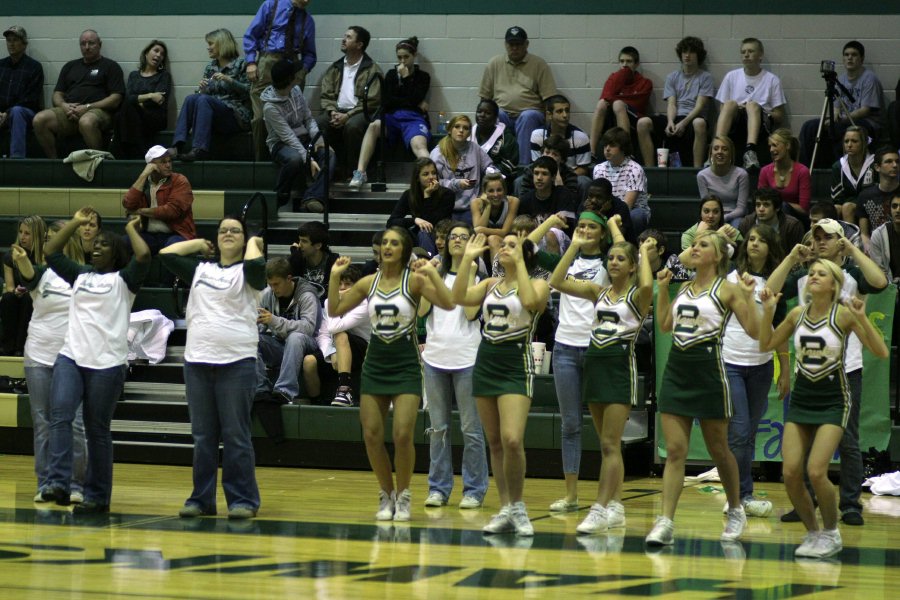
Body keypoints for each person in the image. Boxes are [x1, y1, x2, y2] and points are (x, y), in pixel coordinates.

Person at [758, 260, 887, 557]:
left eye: (821, 274)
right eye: (812, 273)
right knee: (790, 473)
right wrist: (767, 313)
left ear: (834, 284)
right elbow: (766, 344)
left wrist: (862, 317)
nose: (814, 277)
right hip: (802, 399)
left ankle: (831, 531)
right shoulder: (795, 314)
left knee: (817, 471)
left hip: (833, 399)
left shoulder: (843, 315)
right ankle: (814, 533)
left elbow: (880, 351)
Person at [327, 227, 453, 521]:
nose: (387, 247)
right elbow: (334, 309)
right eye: (384, 242)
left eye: (394, 243)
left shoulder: (415, 281)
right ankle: (387, 493)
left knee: (402, 434)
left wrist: (433, 273)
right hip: (375, 365)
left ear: (404, 250)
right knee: (371, 434)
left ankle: (405, 492)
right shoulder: (369, 282)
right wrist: (334, 276)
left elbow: (448, 303)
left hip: (406, 365)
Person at [646, 231, 759, 546]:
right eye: (693, 244)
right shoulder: (683, 287)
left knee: (719, 450)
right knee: (675, 451)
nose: (694, 248)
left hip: (710, 372)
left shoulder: (729, 289)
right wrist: (665, 290)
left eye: (703, 245)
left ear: (719, 255)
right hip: (676, 372)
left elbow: (753, 330)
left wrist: (750, 296)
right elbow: (666, 324)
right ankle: (666, 521)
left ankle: (736, 508)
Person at [40, 210, 150, 513]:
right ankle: (59, 483)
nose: (97, 247)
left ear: (115, 253)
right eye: (95, 243)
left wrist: (130, 228)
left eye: (104, 244)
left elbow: (142, 255)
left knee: (96, 430)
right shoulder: (79, 275)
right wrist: (76, 223)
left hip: (106, 365)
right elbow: (51, 251)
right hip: (71, 357)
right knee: (60, 415)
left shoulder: (124, 280)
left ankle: (97, 496)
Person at [549, 230, 653, 533]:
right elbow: (557, 281)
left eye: (621, 259)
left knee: (609, 443)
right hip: (594, 365)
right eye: (611, 258)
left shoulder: (637, 296)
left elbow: (647, 284)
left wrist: (644, 253)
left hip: (620, 368)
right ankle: (616, 506)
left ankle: (599, 507)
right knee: (609, 446)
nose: (614, 263)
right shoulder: (598, 292)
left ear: (632, 265)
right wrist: (574, 249)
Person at [160, 217, 265, 519]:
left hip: (237, 362)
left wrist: (255, 244)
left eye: (236, 231)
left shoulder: (248, 269)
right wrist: (197, 244)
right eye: (223, 231)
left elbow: (258, 274)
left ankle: (243, 499)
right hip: (197, 361)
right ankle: (201, 499)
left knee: (235, 435)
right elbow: (166, 256)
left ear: (245, 239)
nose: (228, 234)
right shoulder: (200, 270)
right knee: (203, 436)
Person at [451, 232, 550, 536]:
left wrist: (519, 261)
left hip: (515, 364)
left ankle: (519, 507)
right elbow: (458, 298)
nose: (504, 249)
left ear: (526, 255)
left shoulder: (538, 284)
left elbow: (532, 303)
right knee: (494, 442)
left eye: (512, 246)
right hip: (486, 363)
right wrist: (468, 259)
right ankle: (505, 507)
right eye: (504, 246)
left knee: (511, 439)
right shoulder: (489, 284)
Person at [541, 211, 622, 514]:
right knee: (570, 425)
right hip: (564, 349)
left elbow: (625, 254)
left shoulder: (608, 263)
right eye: (582, 226)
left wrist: (613, 226)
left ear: (601, 234)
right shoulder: (568, 260)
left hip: (597, 349)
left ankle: (612, 497)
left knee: (606, 433)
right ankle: (571, 495)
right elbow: (531, 252)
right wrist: (552, 225)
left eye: (592, 227)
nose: (585, 230)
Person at [13, 221, 86, 505]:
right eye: (49, 239)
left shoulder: (85, 275)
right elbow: (29, 275)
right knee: (43, 423)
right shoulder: (42, 273)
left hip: (75, 356)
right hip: (39, 356)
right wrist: (22, 262)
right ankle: (46, 483)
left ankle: (76, 484)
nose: (51, 244)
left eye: (57, 238)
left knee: (75, 423)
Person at [419, 222, 489, 509]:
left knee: (472, 429)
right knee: (438, 429)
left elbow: (472, 313)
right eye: (453, 237)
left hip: (468, 359)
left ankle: (473, 490)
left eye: (463, 237)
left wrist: (470, 270)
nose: (457, 241)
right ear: (444, 243)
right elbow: (422, 313)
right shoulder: (436, 274)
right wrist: (430, 277)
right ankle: (438, 488)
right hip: (435, 359)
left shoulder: (479, 277)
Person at [722, 224, 788, 519]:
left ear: (770, 246)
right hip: (731, 361)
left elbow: (781, 328)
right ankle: (737, 496)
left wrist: (784, 368)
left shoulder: (777, 282)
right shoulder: (733, 278)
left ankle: (743, 495)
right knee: (738, 432)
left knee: (748, 435)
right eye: (750, 239)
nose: (754, 244)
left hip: (761, 366)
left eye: (761, 240)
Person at [350, 36, 431, 189]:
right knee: (373, 126)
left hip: (413, 118)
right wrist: (413, 101)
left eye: (406, 57)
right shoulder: (391, 75)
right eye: (399, 57)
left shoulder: (423, 77)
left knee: (419, 145)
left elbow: (415, 98)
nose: (402, 61)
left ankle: (433, 180)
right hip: (392, 117)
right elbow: (387, 101)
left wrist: (406, 79)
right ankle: (360, 172)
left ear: (414, 56)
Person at [32, 30, 124, 159]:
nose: (86, 47)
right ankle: (54, 163)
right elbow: (57, 94)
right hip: (69, 111)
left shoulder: (111, 66)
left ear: (99, 44)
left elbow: (116, 98)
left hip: (98, 111)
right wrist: (64, 106)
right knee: (39, 119)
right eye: (83, 44)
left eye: (91, 43)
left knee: (86, 122)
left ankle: (101, 163)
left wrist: (87, 107)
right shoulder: (70, 66)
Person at [244, 0, 317, 161]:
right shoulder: (272, 5)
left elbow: (310, 54)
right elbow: (251, 34)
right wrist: (250, 62)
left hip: (292, 68)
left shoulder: (307, 20)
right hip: (268, 62)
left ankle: (291, 161)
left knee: (292, 119)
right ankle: (261, 163)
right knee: (259, 119)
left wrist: (302, 72)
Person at [479, 26, 557, 166]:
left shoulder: (539, 64)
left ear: (526, 44)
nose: (514, 48)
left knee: (527, 117)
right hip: (503, 112)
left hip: (531, 114)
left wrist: (551, 123)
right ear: (505, 44)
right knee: (496, 114)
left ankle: (522, 167)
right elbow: (484, 98)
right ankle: (493, 165)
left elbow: (550, 99)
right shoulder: (494, 63)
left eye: (518, 44)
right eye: (511, 44)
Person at [262, 58, 332, 213]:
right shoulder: (270, 107)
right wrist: (308, 158)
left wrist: (318, 140)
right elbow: (287, 136)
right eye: (295, 73)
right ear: (290, 79)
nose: (299, 74)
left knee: (329, 154)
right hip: (281, 144)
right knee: (295, 159)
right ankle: (280, 197)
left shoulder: (296, 91)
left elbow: (308, 118)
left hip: (305, 138)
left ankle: (313, 196)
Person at [799, 41, 884, 168]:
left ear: (861, 59)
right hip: (843, 121)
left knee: (837, 129)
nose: (850, 57)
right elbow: (836, 107)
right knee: (809, 127)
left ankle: (839, 171)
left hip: (866, 123)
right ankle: (805, 169)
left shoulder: (869, 79)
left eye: (854, 55)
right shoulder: (840, 79)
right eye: (846, 55)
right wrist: (834, 117)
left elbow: (865, 110)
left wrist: (841, 120)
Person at [171, 29, 250, 162]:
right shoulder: (210, 67)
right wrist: (202, 89)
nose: (208, 48)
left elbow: (249, 91)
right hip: (212, 115)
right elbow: (204, 96)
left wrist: (229, 80)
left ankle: (199, 150)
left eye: (211, 44)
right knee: (191, 98)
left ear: (222, 43)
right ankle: (177, 146)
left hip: (235, 116)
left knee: (204, 100)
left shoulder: (241, 64)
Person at [637, 36, 714, 168]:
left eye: (691, 52)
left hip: (693, 118)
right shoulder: (672, 77)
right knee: (643, 123)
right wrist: (670, 122)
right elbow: (672, 104)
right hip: (674, 117)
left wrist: (684, 123)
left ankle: (697, 170)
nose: (687, 55)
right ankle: (649, 169)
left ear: (698, 55)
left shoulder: (705, 77)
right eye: (684, 52)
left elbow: (700, 106)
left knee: (700, 123)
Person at [315, 26, 381, 178]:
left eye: (349, 37)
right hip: (336, 110)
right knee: (318, 124)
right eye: (344, 36)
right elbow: (326, 94)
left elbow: (373, 101)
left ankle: (354, 172)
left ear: (359, 45)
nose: (343, 40)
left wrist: (348, 115)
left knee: (352, 126)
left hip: (359, 112)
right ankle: (325, 171)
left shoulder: (372, 69)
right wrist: (332, 111)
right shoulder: (335, 67)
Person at [255, 256, 321, 409]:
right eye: (270, 284)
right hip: (281, 346)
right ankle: (261, 388)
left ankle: (284, 391)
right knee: (251, 339)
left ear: (289, 278)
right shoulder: (268, 295)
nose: (273, 288)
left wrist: (274, 321)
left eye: (276, 284)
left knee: (295, 337)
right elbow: (260, 327)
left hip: (309, 348)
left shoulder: (306, 295)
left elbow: (308, 328)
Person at [714, 38, 786, 171]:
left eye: (751, 51)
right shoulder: (731, 76)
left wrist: (760, 109)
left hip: (761, 122)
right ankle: (716, 146)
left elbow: (779, 115)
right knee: (729, 104)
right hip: (736, 119)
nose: (746, 55)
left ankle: (750, 151)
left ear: (760, 55)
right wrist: (738, 107)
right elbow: (722, 108)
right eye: (743, 52)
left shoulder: (772, 79)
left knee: (752, 105)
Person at [313, 264, 370, 406]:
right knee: (309, 362)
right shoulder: (328, 302)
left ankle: (345, 390)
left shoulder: (364, 303)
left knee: (340, 335)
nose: (342, 288)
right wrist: (330, 352)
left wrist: (334, 303)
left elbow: (334, 327)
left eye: (348, 284)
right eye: (339, 284)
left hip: (365, 348)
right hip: (338, 347)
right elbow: (323, 334)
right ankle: (316, 402)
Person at [121, 145, 196, 254]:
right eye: (163, 162)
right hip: (149, 235)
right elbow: (128, 204)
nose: (168, 165)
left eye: (169, 161)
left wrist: (139, 211)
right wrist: (144, 175)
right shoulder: (144, 183)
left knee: (172, 248)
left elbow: (172, 211)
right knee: (122, 243)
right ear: (151, 165)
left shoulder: (179, 180)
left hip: (177, 234)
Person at [590, 46, 652, 158]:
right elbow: (605, 97)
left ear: (636, 64)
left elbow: (637, 104)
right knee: (601, 104)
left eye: (629, 61)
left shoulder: (645, 83)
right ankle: (591, 152)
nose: (624, 65)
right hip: (612, 115)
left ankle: (625, 151)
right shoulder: (614, 78)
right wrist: (622, 76)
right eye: (622, 61)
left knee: (618, 104)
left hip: (634, 117)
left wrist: (616, 99)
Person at [114, 40, 172, 159]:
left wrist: (138, 100)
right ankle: (134, 152)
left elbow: (159, 100)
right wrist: (150, 95)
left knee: (126, 110)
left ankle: (121, 152)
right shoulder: (134, 75)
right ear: (146, 53)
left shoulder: (163, 76)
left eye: (162, 54)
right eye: (156, 51)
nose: (158, 55)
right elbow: (129, 98)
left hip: (155, 118)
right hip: (135, 115)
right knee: (123, 110)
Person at [429, 114, 494, 220]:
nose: (461, 130)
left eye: (465, 128)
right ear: (449, 130)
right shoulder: (438, 153)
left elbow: (489, 167)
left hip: (471, 207)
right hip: (445, 206)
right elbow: (432, 182)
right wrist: (456, 184)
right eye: (457, 126)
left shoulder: (475, 148)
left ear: (469, 133)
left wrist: (493, 175)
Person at [386, 157, 455, 256]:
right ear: (417, 178)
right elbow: (391, 222)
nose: (431, 177)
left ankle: (426, 264)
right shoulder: (409, 195)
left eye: (434, 173)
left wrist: (427, 196)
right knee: (395, 231)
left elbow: (432, 224)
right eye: (426, 174)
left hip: (440, 235)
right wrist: (415, 220)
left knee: (424, 232)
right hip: (416, 236)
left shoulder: (447, 194)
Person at [592, 127, 650, 234]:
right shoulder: (598, 169)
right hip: (606, 209)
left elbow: (627, 206)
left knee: (637, 216)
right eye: (605, 145)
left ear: (623, 148)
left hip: (630, 211)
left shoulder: (635, 170)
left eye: (612, 145)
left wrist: (612, 219)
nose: (607, 149)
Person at [1, 215, 45, 355]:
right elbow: (9, 286)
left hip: (37, 295)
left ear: (36, 235)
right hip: (19, 295)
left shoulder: (44, 256)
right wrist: (15, 292)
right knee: (8, 298)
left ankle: (21, 347)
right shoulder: (10, 256)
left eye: (27, 233)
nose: (22, 237)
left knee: (28, 299)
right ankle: (7, 346)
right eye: (20, 232)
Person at [0, 25, 43, 158]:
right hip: (2, 113)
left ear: (24, 44)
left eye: (15, 40)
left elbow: (30, 98)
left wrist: (7, 112)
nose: (11, 44)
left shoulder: (34, 67)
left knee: (17, 111)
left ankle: (16, 160)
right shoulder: (1, 65)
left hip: (26, 112)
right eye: (8, 40)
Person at [757, 128, 811, 223]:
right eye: (770, 146)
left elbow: (804, 208)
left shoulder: (802, 171)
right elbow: (761, 200)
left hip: (797, 219)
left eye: (775, 145)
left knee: (785, 207)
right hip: (770, 216)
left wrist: (779, 206)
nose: (771, 149)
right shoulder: (765, 171)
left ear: (787, 145)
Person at [530, 95, 591, 177]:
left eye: (567, 110)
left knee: (583, 181)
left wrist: (562, 179)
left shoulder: (580, 137)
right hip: (544, 176)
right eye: (559, 111)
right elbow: (536, 165)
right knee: (519, 181)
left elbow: (583, 169)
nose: (565, 115)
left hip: (571, 177)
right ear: (549, 115)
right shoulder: (537, 135)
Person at [697, 135, 751, 225]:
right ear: (711, 153)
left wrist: (723, 218)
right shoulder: (702, 176)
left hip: (735, 216)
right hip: (712, 215)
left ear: (731, 153)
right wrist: (716, 218)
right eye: (716, 148)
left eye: (725, 149)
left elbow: (741, 209)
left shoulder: (741, 174)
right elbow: (706, 206)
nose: (720, 152)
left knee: (736, 228)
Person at [737, 187, 805, 257]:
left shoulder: (792, 226)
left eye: (766, 205)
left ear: (777, 208)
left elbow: (797, 257)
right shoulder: (746, 223)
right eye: (758, 205)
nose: (761, 209)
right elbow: (741, 254)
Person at [855, 147, 899, 251]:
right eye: (888, 161)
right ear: (877, 167)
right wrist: (870, 252)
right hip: (876, 247)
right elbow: (864, 234)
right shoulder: (865, 196)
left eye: (897, 161)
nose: (895, 165)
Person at [830, 125, 876, 223]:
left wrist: (852, 203)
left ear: (863, 143)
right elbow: (837, 198)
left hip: (872, 205)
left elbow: (876, 192)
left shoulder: (874, 164)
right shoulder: (838, 166)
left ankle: (851, 238)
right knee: (835, 208)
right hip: (847, 205)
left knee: (848, 207)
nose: (849, 145)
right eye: (846, 141)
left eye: (854, 141)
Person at [518, 156, 577, 231]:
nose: (539, 178)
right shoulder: (525, 199)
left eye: (544, 174)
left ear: (553, 177)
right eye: (536, 173)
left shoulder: (563, 195)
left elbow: (567, 227)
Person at [471, 171, 520, 257]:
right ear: (484, 192)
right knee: (480, 238)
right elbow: (477, 230)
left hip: (506, 240)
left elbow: (505, 232)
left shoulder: (513, 202)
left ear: (504, 190)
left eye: (499, 190)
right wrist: (488, 206)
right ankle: (479, 269)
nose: (496, 194)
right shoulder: (476, 203)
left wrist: (483, 230)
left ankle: (498, 270)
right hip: (485, 240)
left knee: (492, 239)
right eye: (491, 191)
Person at [288, 221, 338, 302]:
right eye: (299, 240)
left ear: (318, 245)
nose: (300, 245)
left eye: (304, 241)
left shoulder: (334, 263)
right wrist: (294, 257)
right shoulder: (296, 259)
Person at [471, 98, 518, 179]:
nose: (482, 115)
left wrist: (487, 171)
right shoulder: (468, 133)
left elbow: (510, 165)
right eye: (479, 112)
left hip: (496, 180)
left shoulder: (506, 137)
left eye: (488, 113)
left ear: (495, 117)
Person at [580, 178, 636, 244]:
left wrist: (602, 215)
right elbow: (579, 233)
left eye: (599, 197)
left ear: (609, 198)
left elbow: (617, 241)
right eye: (590, 196)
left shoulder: (620, 207)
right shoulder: (585, 206)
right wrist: (588, 213)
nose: (593, 200)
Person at [869, 192, 900, 283]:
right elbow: (878, 270)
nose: (898, 210)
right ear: (890, 210)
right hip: (888, 286)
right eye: (894, 206)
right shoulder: (878, 235)